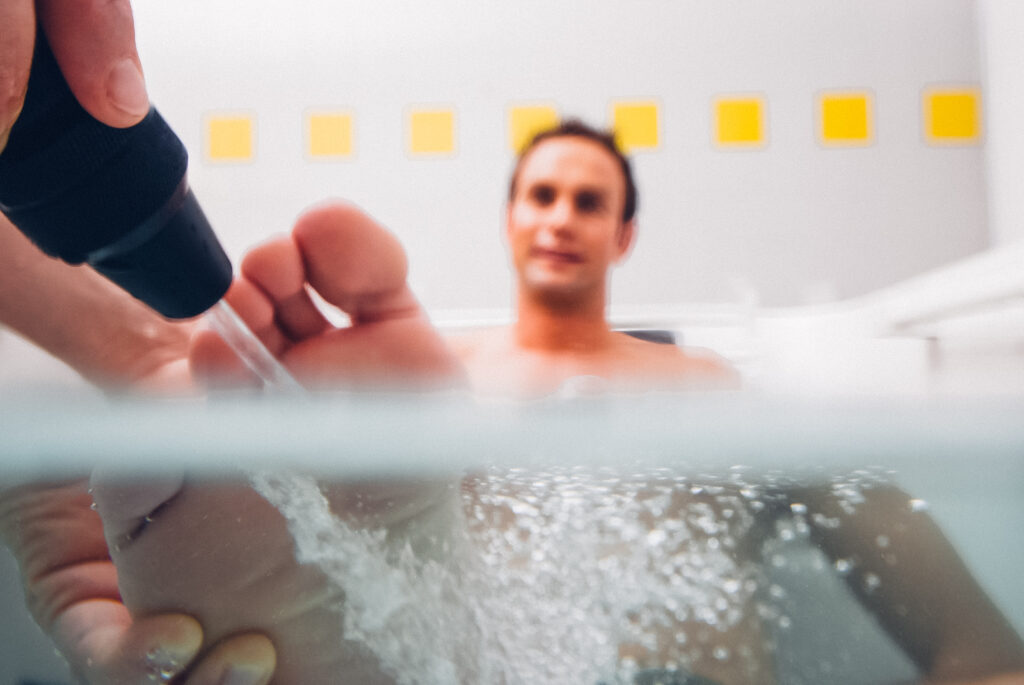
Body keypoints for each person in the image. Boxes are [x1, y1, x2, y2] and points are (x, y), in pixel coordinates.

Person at [448, 120, 738, 398]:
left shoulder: (699, 382)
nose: (562, 221)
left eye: (589, 204)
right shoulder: (441, 375)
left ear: (623, 238)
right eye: (543, 196)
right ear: (510, 222)